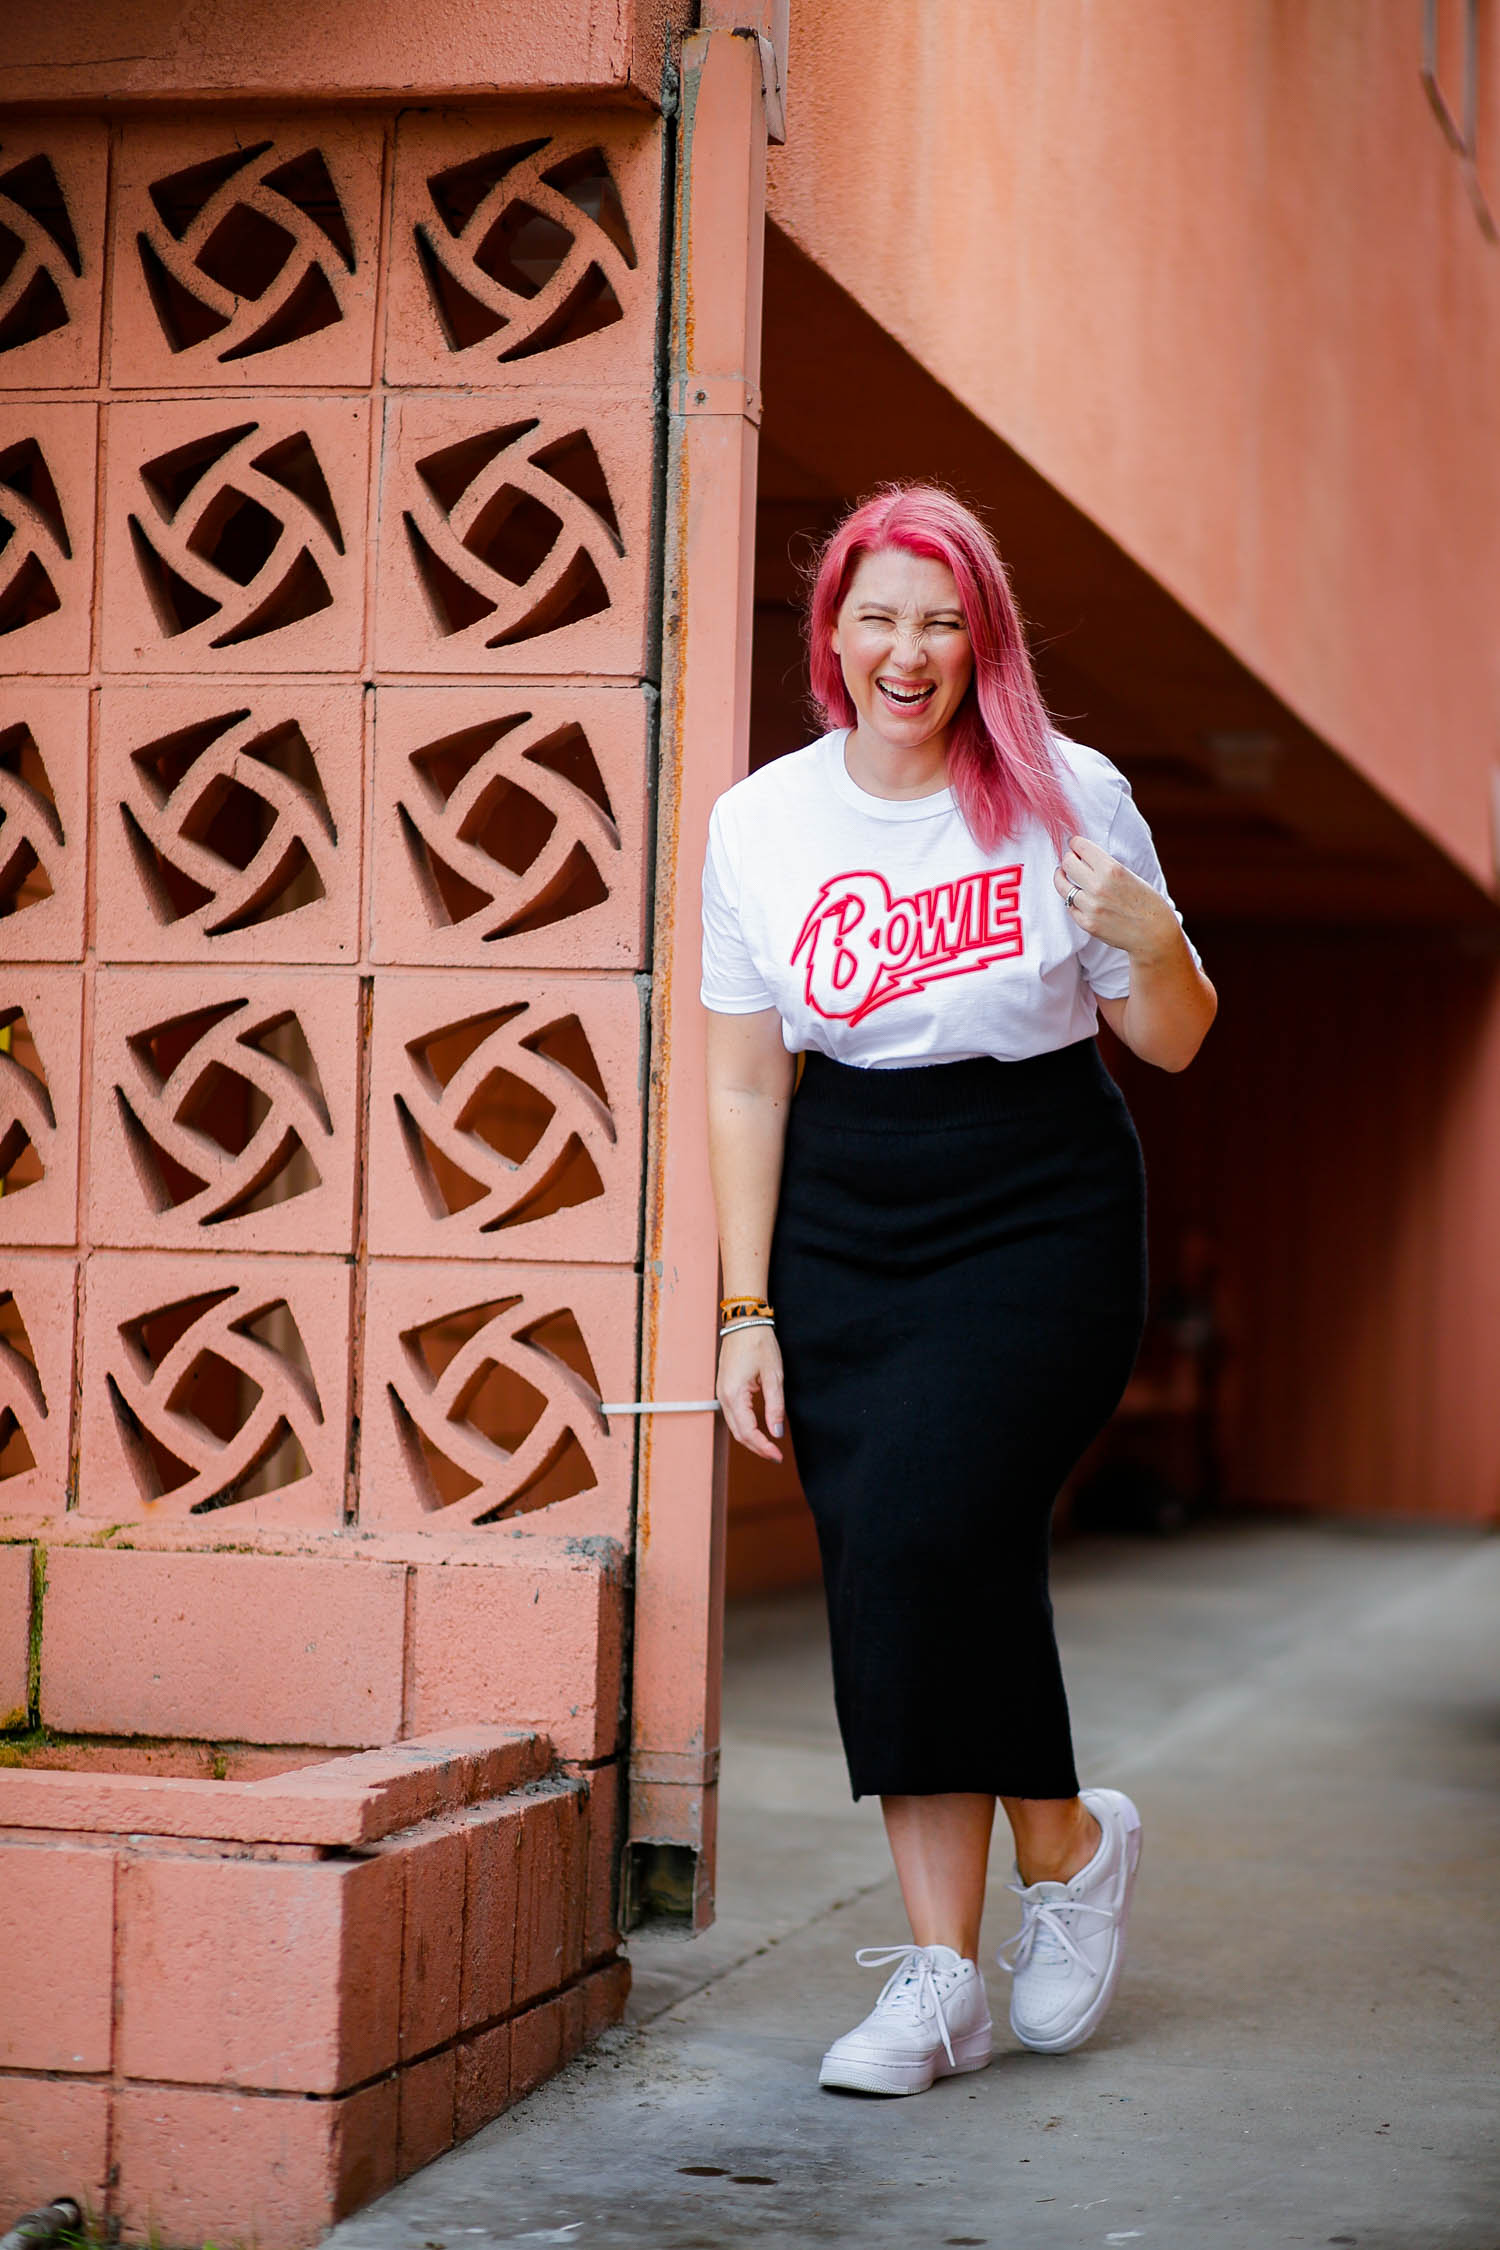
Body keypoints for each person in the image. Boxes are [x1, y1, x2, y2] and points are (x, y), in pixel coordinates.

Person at [700, 485, 1216, 2096]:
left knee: (931, 1520)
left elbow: (1175, 1036)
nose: (906, 650)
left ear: (981, 637)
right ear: (832, 636)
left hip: (1037, 1190)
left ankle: (1057, 1855)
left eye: (940, 619)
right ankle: (954, 1969)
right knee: (903, 1558)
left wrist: (1158, 933)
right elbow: (741, 1085)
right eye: (878, 616)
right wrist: (743, 1310)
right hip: (848, 1203)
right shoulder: (760, 823)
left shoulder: (1068, 796)